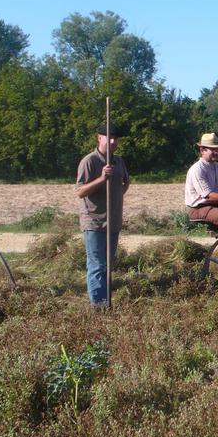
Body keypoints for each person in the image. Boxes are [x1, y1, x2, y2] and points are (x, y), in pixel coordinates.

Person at [75, 124, 129, 309]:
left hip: (113, 222)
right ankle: (98, 306)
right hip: (94, 222)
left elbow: (125, 182)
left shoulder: (119, 161)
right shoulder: (89, 161)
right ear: (99, 138)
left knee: (107, 265)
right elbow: (80, 191)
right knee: (97, 265)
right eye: (108, 137)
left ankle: (105, 301)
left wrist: (116, 196)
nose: (112, 141)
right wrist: (101, 179)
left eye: (115, 138)